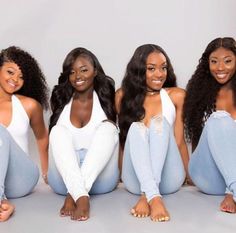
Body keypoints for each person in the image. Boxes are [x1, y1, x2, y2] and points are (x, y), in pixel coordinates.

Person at [115, 44, 189, 222]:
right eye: (151, 68)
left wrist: (189, 174)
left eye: (163, 68)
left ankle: (147, 195)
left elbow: (178, 142)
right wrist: (118, 174)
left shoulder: (176, 96)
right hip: (134, 180)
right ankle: (153, 196)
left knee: (160, 122)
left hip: (168, 179)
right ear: (139, 71)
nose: (160, 74)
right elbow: (124, 140)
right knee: (136, 128)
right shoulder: (121, 96)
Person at [48, 47, 119, 221]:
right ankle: (81, 195)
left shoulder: (108, 99)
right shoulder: (60, 99)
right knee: (57, 131)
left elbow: (117, 140)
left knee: (109, 128)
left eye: (84, 70)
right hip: (62, 182)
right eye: (72, 72)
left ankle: (75, 196)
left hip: (101, 180)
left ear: (95, 71)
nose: (77, 76)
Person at [183, 37, 236, 213]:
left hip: (231, 175)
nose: (220, 68)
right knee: (219, 118)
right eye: (214, 62)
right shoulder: (199, 92)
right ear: (207, 64)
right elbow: (197, 139)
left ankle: (232, 190)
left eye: (228, 61)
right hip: (208, 175)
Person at [0, 46, 49, 222]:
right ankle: (4, 203)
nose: (15, 80)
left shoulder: (29, 105)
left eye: (21, 77)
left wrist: (46, 172)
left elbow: (42, 137)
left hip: (21, 179)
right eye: (10, 72)